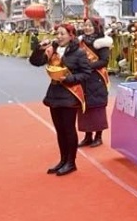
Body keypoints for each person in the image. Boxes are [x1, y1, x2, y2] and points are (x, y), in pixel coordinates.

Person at [29, 23, 106, 176]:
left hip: (71, 94)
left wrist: (69, 78)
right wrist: (39, 48)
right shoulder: (53, 49)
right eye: (57, 34)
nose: (59, 37)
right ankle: (63, 160)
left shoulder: (79, 52)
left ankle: (71, 162)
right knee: (60, 130)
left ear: (71, 36)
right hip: (54, 93)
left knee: (69, 129)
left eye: (62, 34)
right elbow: (36, 62)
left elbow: (86, 73)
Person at [77, 17, 112, 148]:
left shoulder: (102, 42)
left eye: (90, 26)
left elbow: (104, 61)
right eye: (85, 25)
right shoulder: (80, 41)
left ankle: (98, 136)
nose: (87, 28)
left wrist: (87, 66)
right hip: (83, 78)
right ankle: (87, 136)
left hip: (97, 78)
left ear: (96, 27)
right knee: (84, 107)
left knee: (97, 107)